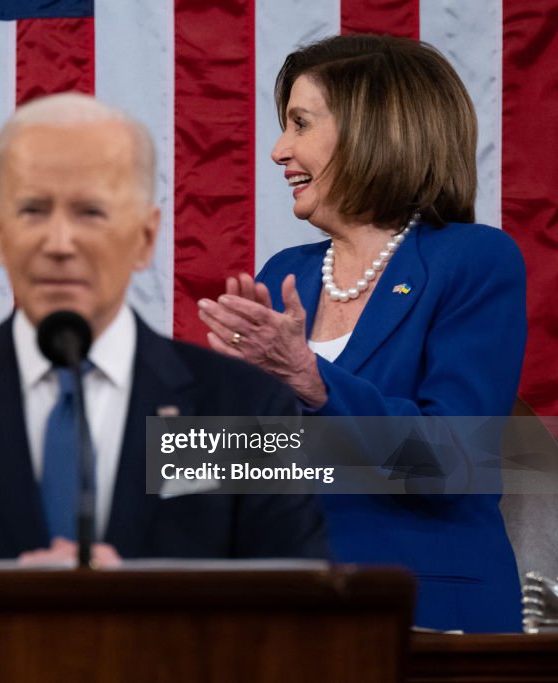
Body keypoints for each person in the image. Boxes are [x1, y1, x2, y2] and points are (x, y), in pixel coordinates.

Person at [0, 93, 327, 566]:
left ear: (145, 237)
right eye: (33, 210)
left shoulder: (243, 410)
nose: (60, 242)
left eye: (90, 212)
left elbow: (297, 612)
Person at [197, 34, 526, 632]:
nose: (277, 150)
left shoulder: (474, 261)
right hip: (282, 608)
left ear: (373, 130)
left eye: (299, 124)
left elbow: (450, 466)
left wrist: (309, 381)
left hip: (423, 614)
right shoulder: (285, 274)